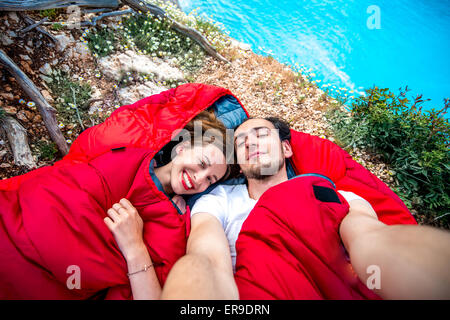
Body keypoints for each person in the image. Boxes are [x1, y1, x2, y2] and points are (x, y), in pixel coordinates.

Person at [106, 117, 450, 300]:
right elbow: (205, 260)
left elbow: (372, 240)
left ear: (286, 149)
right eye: (241, 142)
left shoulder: (327, 192)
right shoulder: (218, 202)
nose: (250, 143)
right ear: (237, 164)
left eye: (260, 135)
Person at [0, 109, 235, 299]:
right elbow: (67, 184)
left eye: (210, 180)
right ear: (182, 149)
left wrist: (134, 247)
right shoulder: (128, 156)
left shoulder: (175, 222)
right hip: (20, 227)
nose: (199, 178)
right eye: (202, 163)